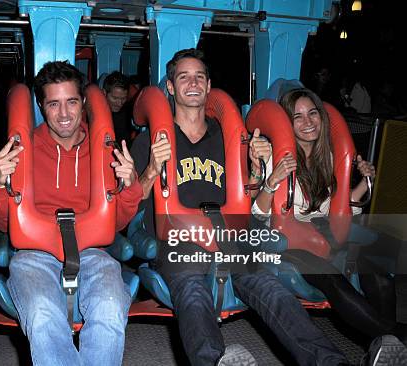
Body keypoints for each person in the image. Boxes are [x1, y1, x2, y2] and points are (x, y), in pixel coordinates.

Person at [130, 48, 374, 366]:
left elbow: (251, 198)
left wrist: (257, 168)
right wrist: (152, 167)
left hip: (230, 237)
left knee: (271, 288)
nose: (193, 83)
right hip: (178, 241)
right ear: (172, 88)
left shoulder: (230, 137)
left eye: (199, 76)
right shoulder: (149, 141)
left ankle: (330, 361)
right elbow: (131, 203)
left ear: (208, 85)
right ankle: (214, 361)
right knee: (192, 290)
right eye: (184, 77)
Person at [0, 61, 143, 366]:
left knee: (110, 307)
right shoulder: (23, 149)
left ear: (83, 102)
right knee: (43, 314)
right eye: (54, 104)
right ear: (41, 106)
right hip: (35, 252)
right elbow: (4, 224)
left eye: (71, 102)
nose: (64, 114)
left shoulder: (105, 152)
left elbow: (119, 222)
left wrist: (129, 185)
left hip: (91, 250)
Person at [252, 88, 407, 348]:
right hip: (282, 244)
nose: (308, 122)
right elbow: (257, 215)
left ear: (322, 118)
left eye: (312, 113)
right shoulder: (272, 154)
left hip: (321, 236)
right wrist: (272, 181)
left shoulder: (329, 159)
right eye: (298, 116)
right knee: (330, 276)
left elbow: (339, 210)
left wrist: (365, 183)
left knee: (379, 276)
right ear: (287, 123)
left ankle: (387, 349)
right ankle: (397, 337)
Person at [103, 71, 133, 146]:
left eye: (123, 98)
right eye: (115, 98)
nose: (119, 103)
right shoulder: (97, 113)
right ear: (104, 93)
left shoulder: (129, 112)